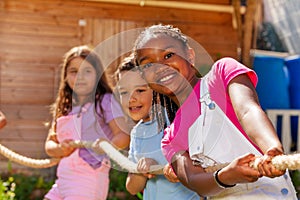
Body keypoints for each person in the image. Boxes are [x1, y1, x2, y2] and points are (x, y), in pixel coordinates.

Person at [133, 24, 297, 199]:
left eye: (168, 55)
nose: (160, 67)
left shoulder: (222, 73)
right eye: (148, 65)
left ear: (190, 55)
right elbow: (195, 180)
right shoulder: (170, 140)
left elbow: (248, 110)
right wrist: (226, 176)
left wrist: (272, 148)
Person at [44, 45, 130, 200]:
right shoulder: (65, 106)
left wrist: (106, 146)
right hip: (63, 180)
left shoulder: (105, 102)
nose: (80, 77)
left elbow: (123, 136)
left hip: (88, 179)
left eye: (87, 71)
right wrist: (59, 149)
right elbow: (50, 142)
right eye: (74, 72)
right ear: (66, 76)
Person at [114, 55, 200, 200]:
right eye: (124, 92)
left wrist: (173, 168)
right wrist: (141, 171)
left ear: (156, 90)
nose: (131, 98)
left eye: (140, 90)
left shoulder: (174, 120)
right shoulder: (137, 133)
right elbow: (132, 188)